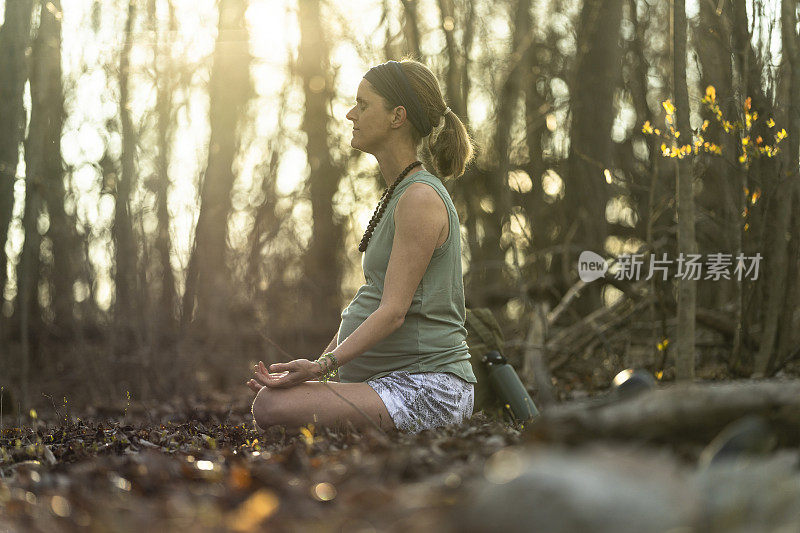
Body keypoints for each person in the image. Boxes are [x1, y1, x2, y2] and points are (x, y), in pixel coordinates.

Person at [247, 59, 477, 434]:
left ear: (397, 116)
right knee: (275, 402)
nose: (351, 114)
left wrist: (321, 370)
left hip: (430, 387)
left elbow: (392, 312)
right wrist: (316, 373)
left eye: (364, 104)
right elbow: (373, 298)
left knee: (271, 406)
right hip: (389, 382)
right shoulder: (400, 192)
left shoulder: (420, 198)